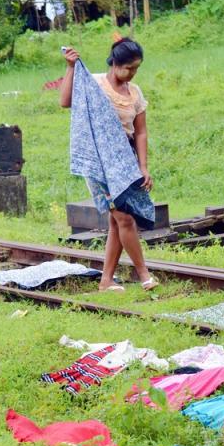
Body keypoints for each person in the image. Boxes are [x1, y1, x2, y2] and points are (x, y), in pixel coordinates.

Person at [59, 38, 157, 292]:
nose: (132, 73)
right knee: (124, 217)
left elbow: (141, 132)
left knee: (117, 221)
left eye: (136, 68)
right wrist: (70, 68)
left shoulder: (135, 93)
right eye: (129, 68)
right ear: (115, 63)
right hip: (99, 162)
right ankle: (145, 275)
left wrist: (143, 167)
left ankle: (106, 281)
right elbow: (66, 101)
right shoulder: (95, 84)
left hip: (125, 161)